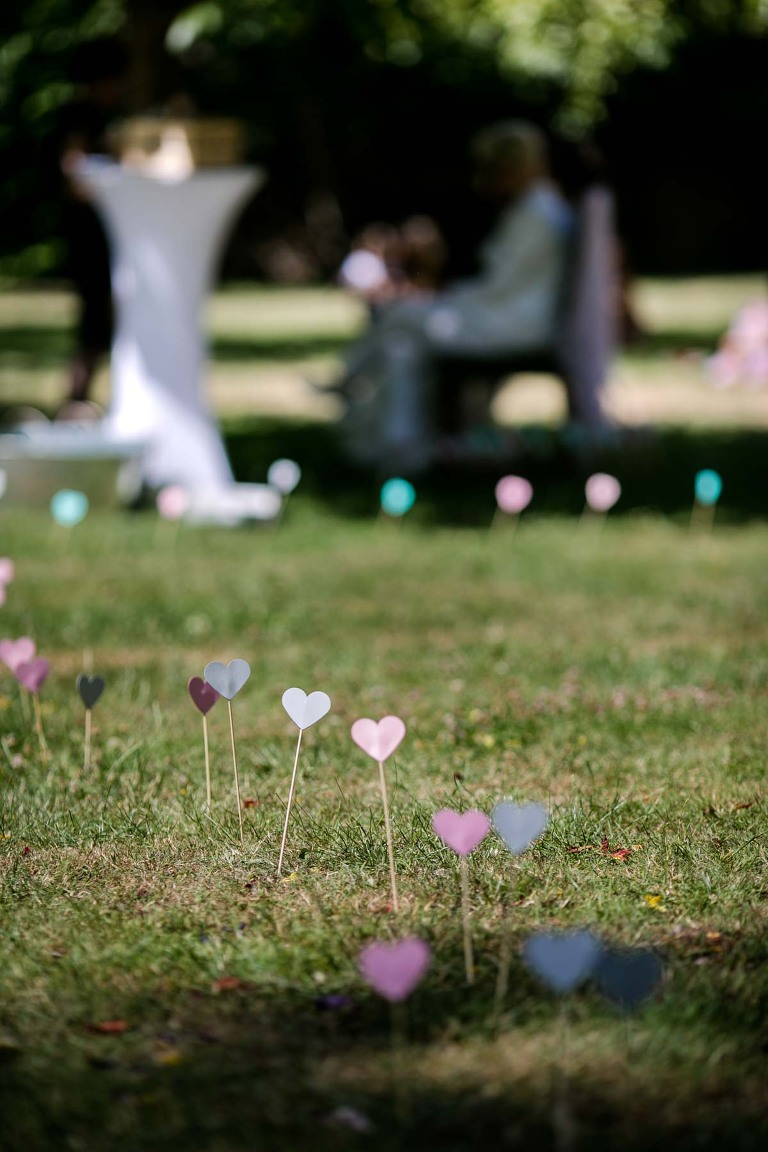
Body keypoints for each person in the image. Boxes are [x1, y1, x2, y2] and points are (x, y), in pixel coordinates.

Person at [336, 121, 577, 470]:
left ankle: (359, 396)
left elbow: (499, 287)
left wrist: (446, 296)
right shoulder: (535, 209)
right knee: (400, 343)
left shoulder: (537, 215)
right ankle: (395, 444)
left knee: (399, 315)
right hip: (507, 314)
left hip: (513, 324)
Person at [58, 38, 129, 405]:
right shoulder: (80, 117)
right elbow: (75, 177)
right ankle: (75, 403)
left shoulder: (110, 116)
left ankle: (86, 401)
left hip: (108, 234)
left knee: (105, 324)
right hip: (90, 235)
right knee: (94, 326)